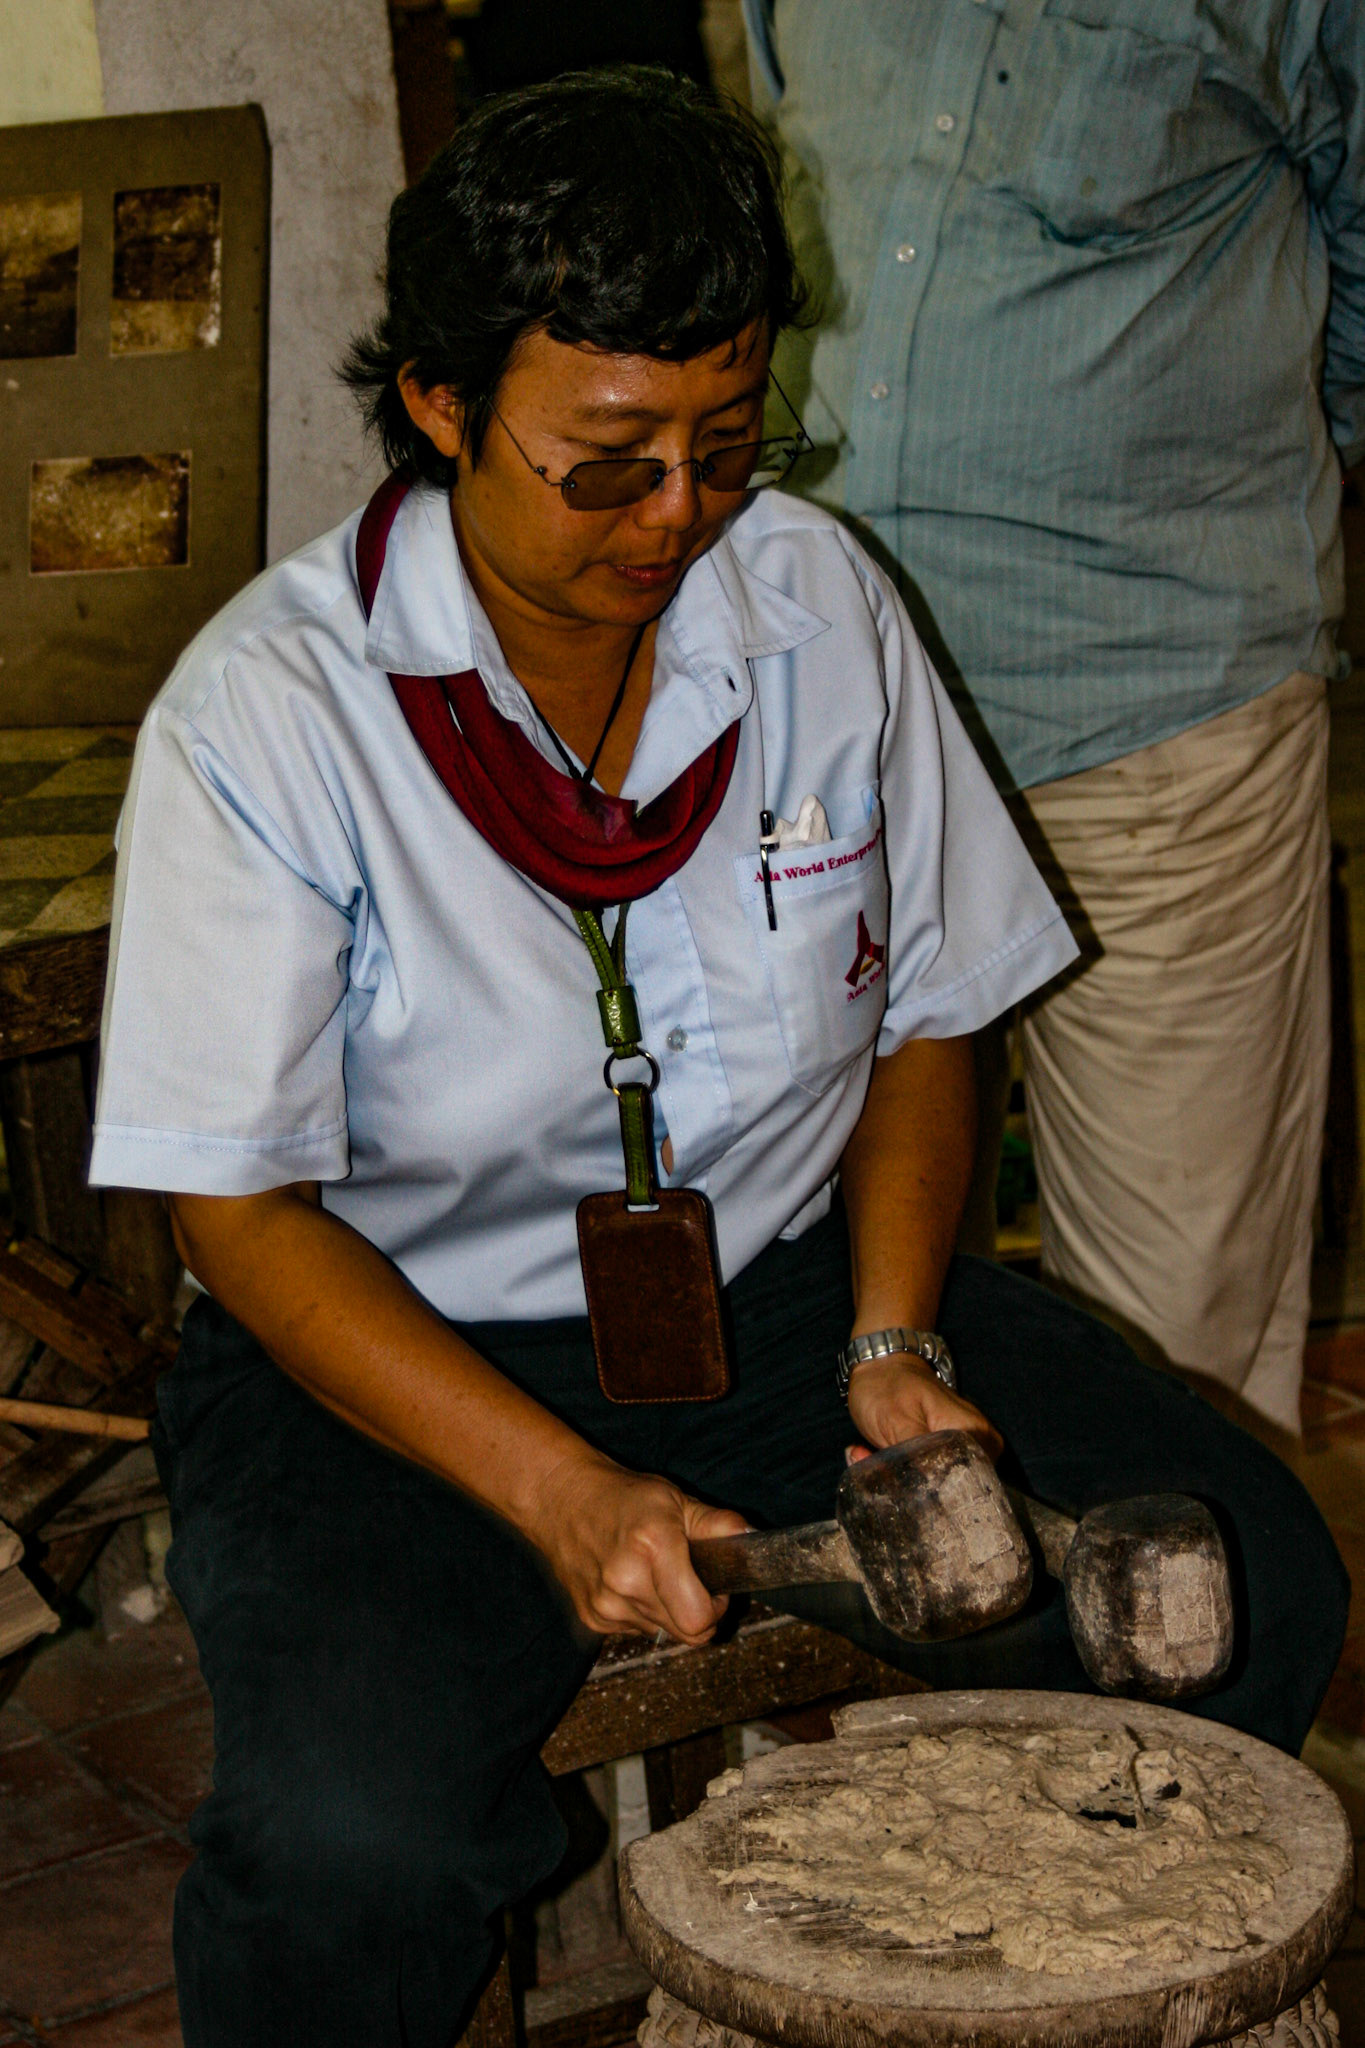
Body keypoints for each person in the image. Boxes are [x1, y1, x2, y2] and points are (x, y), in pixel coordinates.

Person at [88, 69, 1346, 2048]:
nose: (675, 515)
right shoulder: (270, 720)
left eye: (725, 442)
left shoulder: (812, 601)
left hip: (773, 1316)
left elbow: (932, 1000)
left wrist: (889, 1339)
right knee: (354, 1853)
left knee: (1248, 1588)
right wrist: (564, 1492)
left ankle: (1005, 1994)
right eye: (603, 460)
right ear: (437, 402)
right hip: (393, 1369)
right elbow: (230, 1207)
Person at [740, 0, 1365, 1436]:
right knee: (839, 1276)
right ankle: (939, 1639)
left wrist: (1222, 478)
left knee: (1173, 1321)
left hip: (1151, 700)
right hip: (836, 716)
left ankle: (1163, 1657)